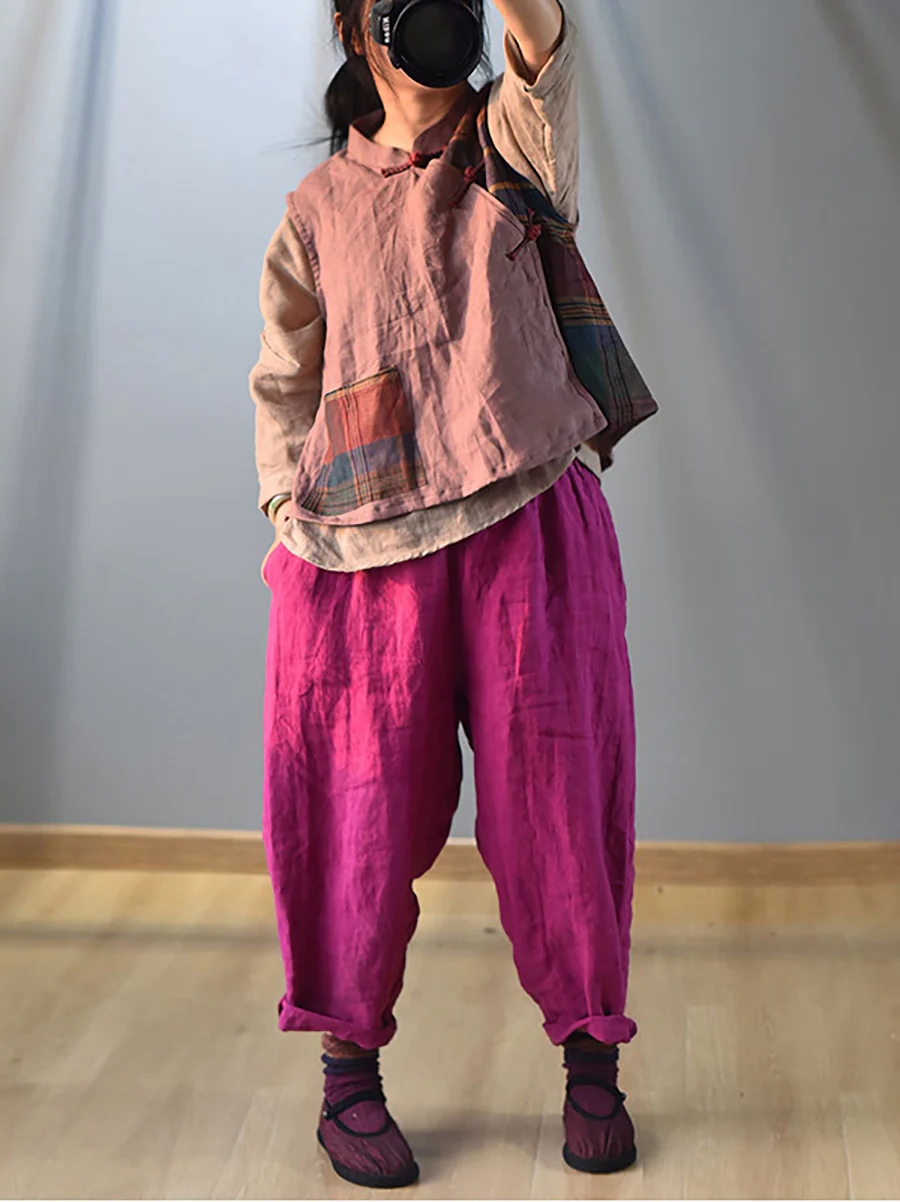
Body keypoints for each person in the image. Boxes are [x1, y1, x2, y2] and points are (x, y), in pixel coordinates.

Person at [250, 0, 650, 1187]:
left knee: (560, 800)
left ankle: (592, 1061)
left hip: (531, 525)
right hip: (362, 560)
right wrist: (286, 510)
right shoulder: (315, 209)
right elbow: (284, 378)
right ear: (353, 27)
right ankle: (347, 1077)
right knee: (354, 816)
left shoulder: (514, 145)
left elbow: (544, 35)